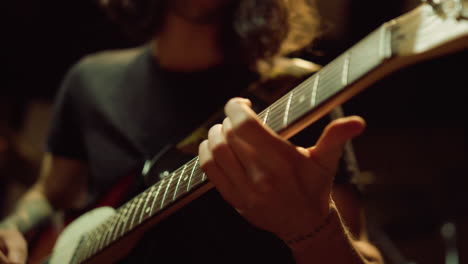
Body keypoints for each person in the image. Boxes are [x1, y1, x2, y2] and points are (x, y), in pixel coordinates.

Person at [0, 0, 384, 263]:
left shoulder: (296, 94)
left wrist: (314, 230)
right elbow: (51, 191)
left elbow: (364, 253)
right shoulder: (89, 81)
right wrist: (14, 227)